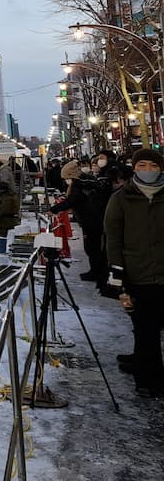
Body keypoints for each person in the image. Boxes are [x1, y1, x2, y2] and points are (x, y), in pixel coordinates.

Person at [103, 148, 164, 398]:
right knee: (145, 330)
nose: (147, 170)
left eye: (152, 165)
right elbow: (113, 238)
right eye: (141, 166)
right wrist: (118, 277)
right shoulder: (121, 198)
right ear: (134, 168)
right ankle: (148, 379)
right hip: (137, 274)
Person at [51, 159, 111, 290]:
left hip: (92, 221)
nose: (65, 181)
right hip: (91, 220)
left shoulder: (79, 185)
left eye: (66, 178)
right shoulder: (85, 182)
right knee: (92, 248)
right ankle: (95, 272)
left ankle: (99, 275)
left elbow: (72, 201)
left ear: (71, 176)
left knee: (93, 248)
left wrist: (54, 209)